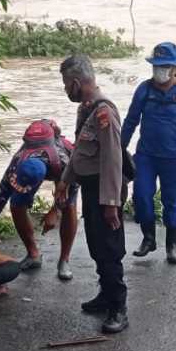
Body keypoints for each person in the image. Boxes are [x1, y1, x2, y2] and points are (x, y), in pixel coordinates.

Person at [55, 54, 128, 333]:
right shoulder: (86, 109)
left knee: (109, 247)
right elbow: (80, 152)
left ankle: (118, 307)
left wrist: (111, 203)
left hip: (105, 189)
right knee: (97, 244)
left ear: (76, 82)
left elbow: (112, 159)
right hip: (90, 186)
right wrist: (64, 181)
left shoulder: (103, 112)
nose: (65, 90)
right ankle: (105, 294)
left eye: (65, 84)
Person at [122, 42, 176, 265]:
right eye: (156, 66)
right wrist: (119, 149)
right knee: (141, 195)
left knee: (172, 201)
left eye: (164, 66)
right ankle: (148, 238)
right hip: (146, 155)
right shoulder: (144, 90)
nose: (160, 70)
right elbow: (130, 121)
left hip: (174, 158)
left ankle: (172, 246)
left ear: (175, 68)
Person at [0, 119, 79, 279]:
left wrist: (55, 211)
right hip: (32, 165)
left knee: (69, 206)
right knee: (16, 204)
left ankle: (64, 260)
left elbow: (72, 189)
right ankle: (33, 254)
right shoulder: (16, 165)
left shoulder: (64, 161)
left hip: (61, 170)